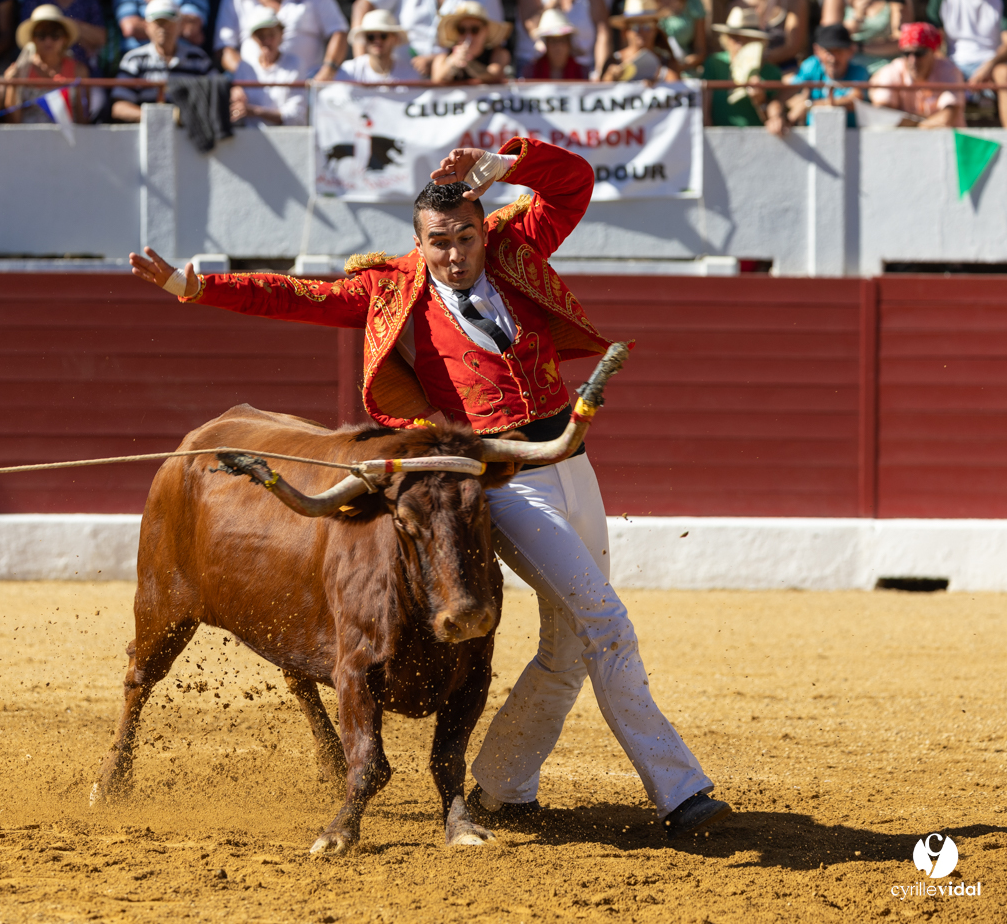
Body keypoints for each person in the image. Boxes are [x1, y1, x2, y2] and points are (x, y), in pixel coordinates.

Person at [129, 138, 732, 844]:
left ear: (484, 227)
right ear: (419, 242)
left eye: (466, 236)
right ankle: (681, 789)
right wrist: (196, 288)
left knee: (570, 641)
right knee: (604, 620)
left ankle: (504, 781)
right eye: (439, 242)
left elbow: (573, 183)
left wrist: (503, 164)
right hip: (495, 478)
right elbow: (302, 297)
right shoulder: (394, 290)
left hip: (569, 454)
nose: (455, 253)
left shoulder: (515, 247)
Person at [349, 0, 503, 76]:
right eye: (462, 29)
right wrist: (363, 64)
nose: (468, 33)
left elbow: (492, 44)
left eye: (473, 29)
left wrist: (438, 60)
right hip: (399, 78)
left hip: (446, 77)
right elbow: (363, 5)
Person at [110, 0, 211, 122]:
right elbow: (119, 107)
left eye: (169, 22)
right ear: (147, 26)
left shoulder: (199, 59)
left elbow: (216, 96)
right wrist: (164, 118)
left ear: (179, 25)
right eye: (158, 23)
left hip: (193, 136)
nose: (163, 29)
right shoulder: (134, 60)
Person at [215, 0, 348, 79]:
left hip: (309, 88)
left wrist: (326, 73)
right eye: (260, 35)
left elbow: (339, 31)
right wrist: (248, 80)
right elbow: (224, 49)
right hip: (253, 95)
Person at [927, 0, 1007, 127]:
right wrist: (949, 69)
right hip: (953, 64)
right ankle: (934, 131)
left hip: (993, 63)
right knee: (935, 72)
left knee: (1004, 74)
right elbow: (935, 42)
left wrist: (988, 67)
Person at [703, 6, 786, 132]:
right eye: (734, 37)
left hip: (757, 140)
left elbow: (774, 116)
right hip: (718, 138)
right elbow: (705, 107)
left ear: (759, 41)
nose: (740, 43)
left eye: (747, 38)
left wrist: (760, 101)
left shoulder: (771, 71)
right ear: (725, 39)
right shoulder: (714, 63)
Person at [2, 2, 89, 122]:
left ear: (65, 38)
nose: (48, 41)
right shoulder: (21, 70)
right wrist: (11, 86)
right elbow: (13, 121)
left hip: (67, 138)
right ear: (33, 38)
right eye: (42, 35)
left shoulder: (78, 70)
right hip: (28, 138)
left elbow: (83, 118)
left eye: (55, 35)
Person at [869, 21, 966, 125]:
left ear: (933, 52)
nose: (913, 60)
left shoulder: (949, 70)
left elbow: (948, 117)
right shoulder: (891, 71)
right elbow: (883, 114)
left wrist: (912, 126)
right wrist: (924, 125)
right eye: (907, 53)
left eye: (919, 53)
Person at [230, 7, 305, 123]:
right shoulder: (244, 67)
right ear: (254, 38)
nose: (267, 41)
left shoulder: (295, 64)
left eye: (271, 34)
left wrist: (255, 111)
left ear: (281, 34)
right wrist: (235, 98)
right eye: (261, 36)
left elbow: (296, 115)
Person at [786, 22, 867, 126]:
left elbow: (854, 100)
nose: (833, 58)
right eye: (828, 51)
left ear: (851, 51)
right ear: (817, 51)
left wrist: (809, 105)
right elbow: (788, 95)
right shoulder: (811, 66)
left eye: (838, 51)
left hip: (849, 136)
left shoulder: (859, 71)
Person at [518, 0, 610, 78]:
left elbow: (603, 34)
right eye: (553, 41)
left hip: (584, 70)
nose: (558, 46)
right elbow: (532, 28)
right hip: (535, 69)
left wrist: (599, 72)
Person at [824, 0, 909, 74]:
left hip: (886, 70)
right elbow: (828, 40)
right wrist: (857, 20)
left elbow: (902, 43)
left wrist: (860, 48)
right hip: (847, 72)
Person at [725, 0, 806, 72]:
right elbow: (729, 39)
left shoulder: (794, 0)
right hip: (741, 62)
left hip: (783, 66)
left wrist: (760, 60)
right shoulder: (739, 1)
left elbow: (792, 47)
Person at [600, 0, 677, 80]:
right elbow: (601, 90)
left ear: (655, 30)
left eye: (647, 25)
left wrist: (661, 80)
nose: (641, 32)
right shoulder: (614, 61)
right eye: (634, 26)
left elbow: (676, 85)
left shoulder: (667, 62)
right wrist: (610, 77)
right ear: (625, 32)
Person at [430, 0, 510, 80]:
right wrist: (453, 61)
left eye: (474, 30)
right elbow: (437, 79)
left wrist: (469, 63)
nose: (468, 35)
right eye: (462, 30)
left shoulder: (498, 54)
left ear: (486, 31)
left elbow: (493, 76)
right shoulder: (445, 54)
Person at [337, 6, 423, 79]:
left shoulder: (409, 73)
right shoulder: (349, 72)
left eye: (383, 36)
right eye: (371, 37)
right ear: (365, 40)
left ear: (394, 38)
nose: (377, 41)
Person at [19, 0, 106, 58]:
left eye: (56, 35)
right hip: (40, 67)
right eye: (43, 35)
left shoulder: (88, 0)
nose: (49, 39)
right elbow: (27, 33)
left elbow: (101, 38)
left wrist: (68, 26)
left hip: (80, 71)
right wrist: (82, 38)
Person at [117, 0, 208, 50]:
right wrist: (175, 25)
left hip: (186, 64)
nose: (163, 28)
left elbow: (191, 28)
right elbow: (131, 28)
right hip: (139, 63)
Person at [524, 6, 587, 77]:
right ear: (546, 43)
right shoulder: (531, 71)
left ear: (569, 43)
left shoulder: (583, 72)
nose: (558, 46)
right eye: (553, 41)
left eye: (562, 40)